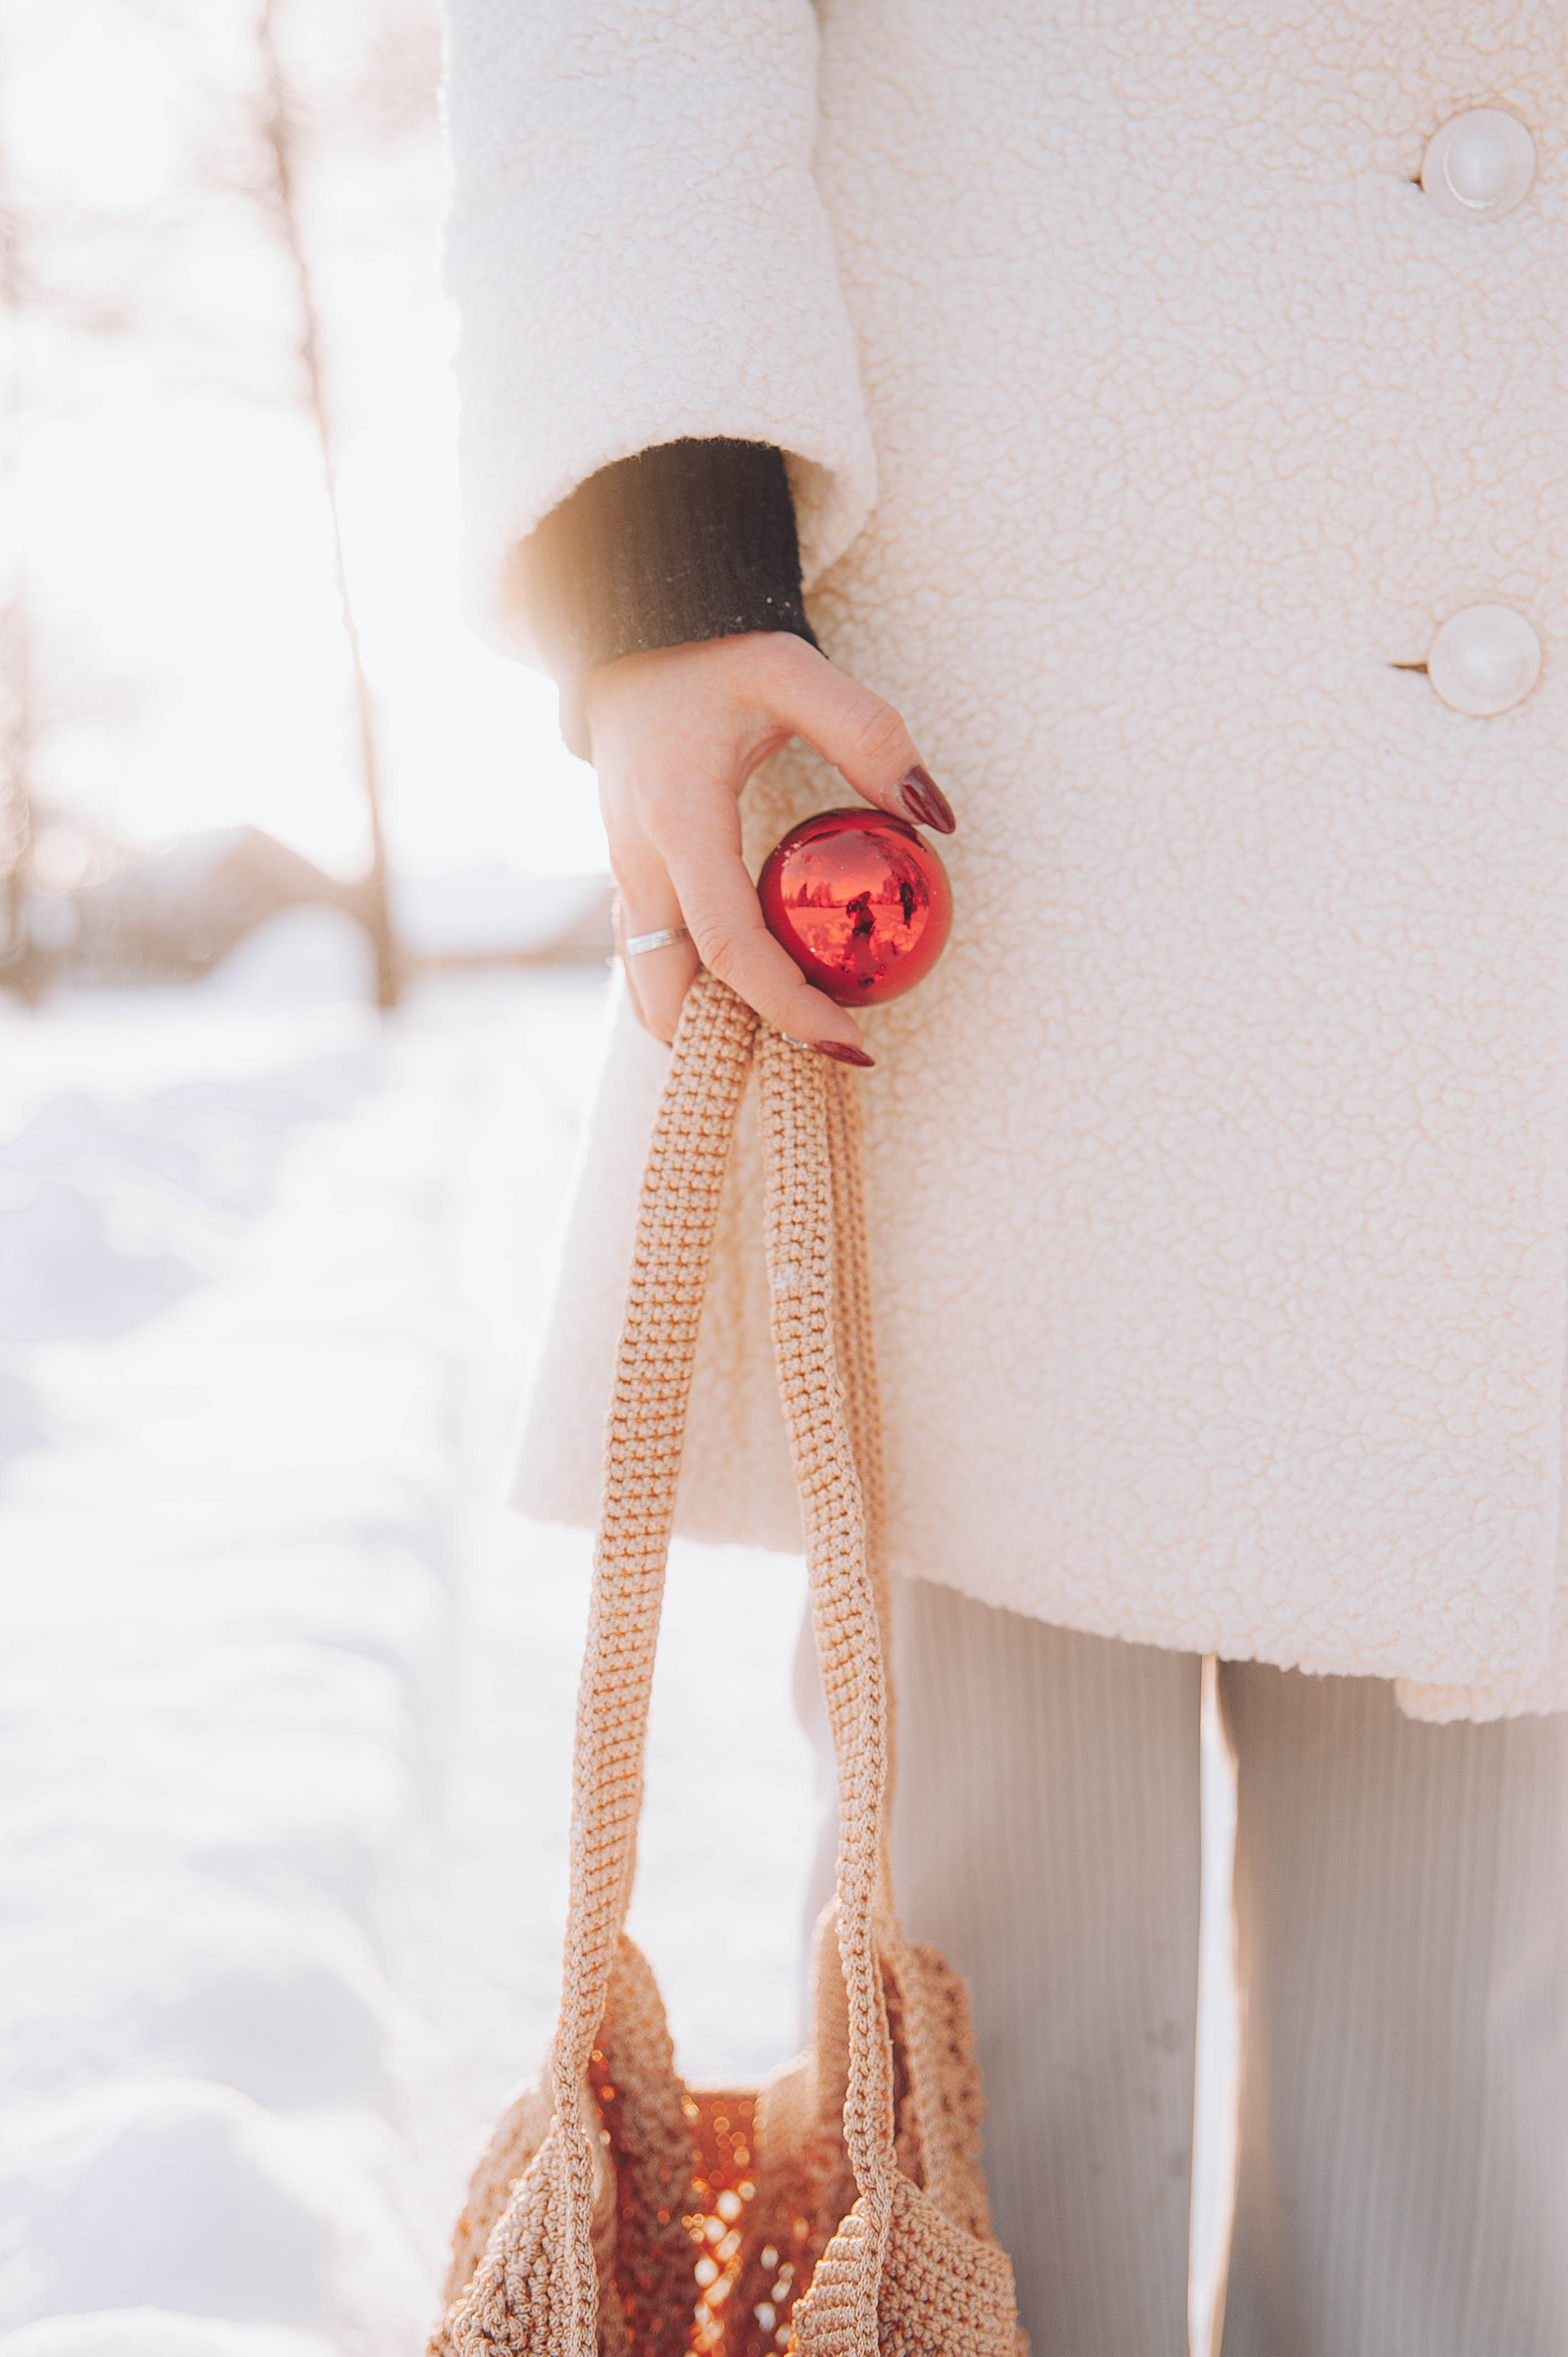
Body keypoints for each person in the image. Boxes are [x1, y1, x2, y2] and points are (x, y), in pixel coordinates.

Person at [443, 9, 1568, 2351]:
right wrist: (661, 554)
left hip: (1511, 849)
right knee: (986, 2032)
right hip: (984, 724)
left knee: (1464, 2079)